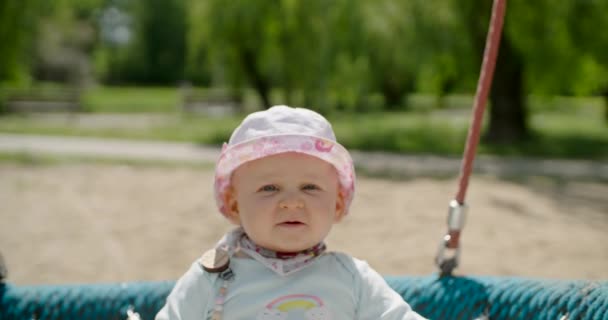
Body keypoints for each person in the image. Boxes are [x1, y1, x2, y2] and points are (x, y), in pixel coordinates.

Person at [156, 105, 426, 320]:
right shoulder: (212, 277)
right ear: (235, 203)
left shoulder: (352, 278)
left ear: (338, 204)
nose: (291, 202)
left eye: (310, 187)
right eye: (269, 188)